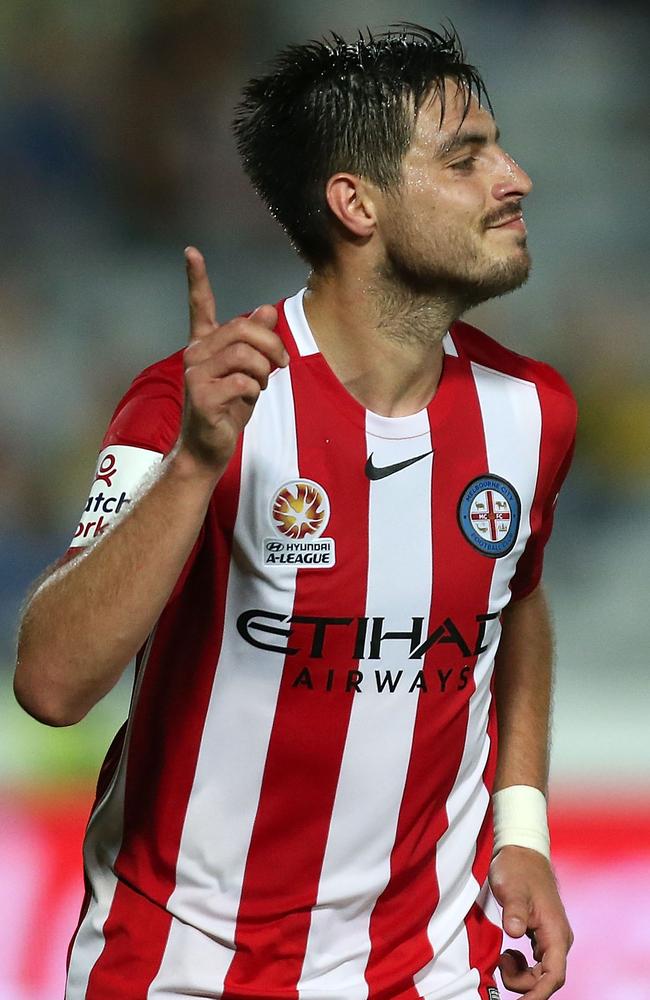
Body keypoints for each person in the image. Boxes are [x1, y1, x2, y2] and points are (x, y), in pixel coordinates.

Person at [14, 24, 575, 1000]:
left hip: (431, 967)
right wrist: (193, 465)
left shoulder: (533, 413)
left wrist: (518, 825)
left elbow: (513, 604)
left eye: (498, 145)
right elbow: (51, 684)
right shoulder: (195, 405)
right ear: (354, 203)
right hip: (182, 967)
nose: (513, 176)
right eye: (465, 156)